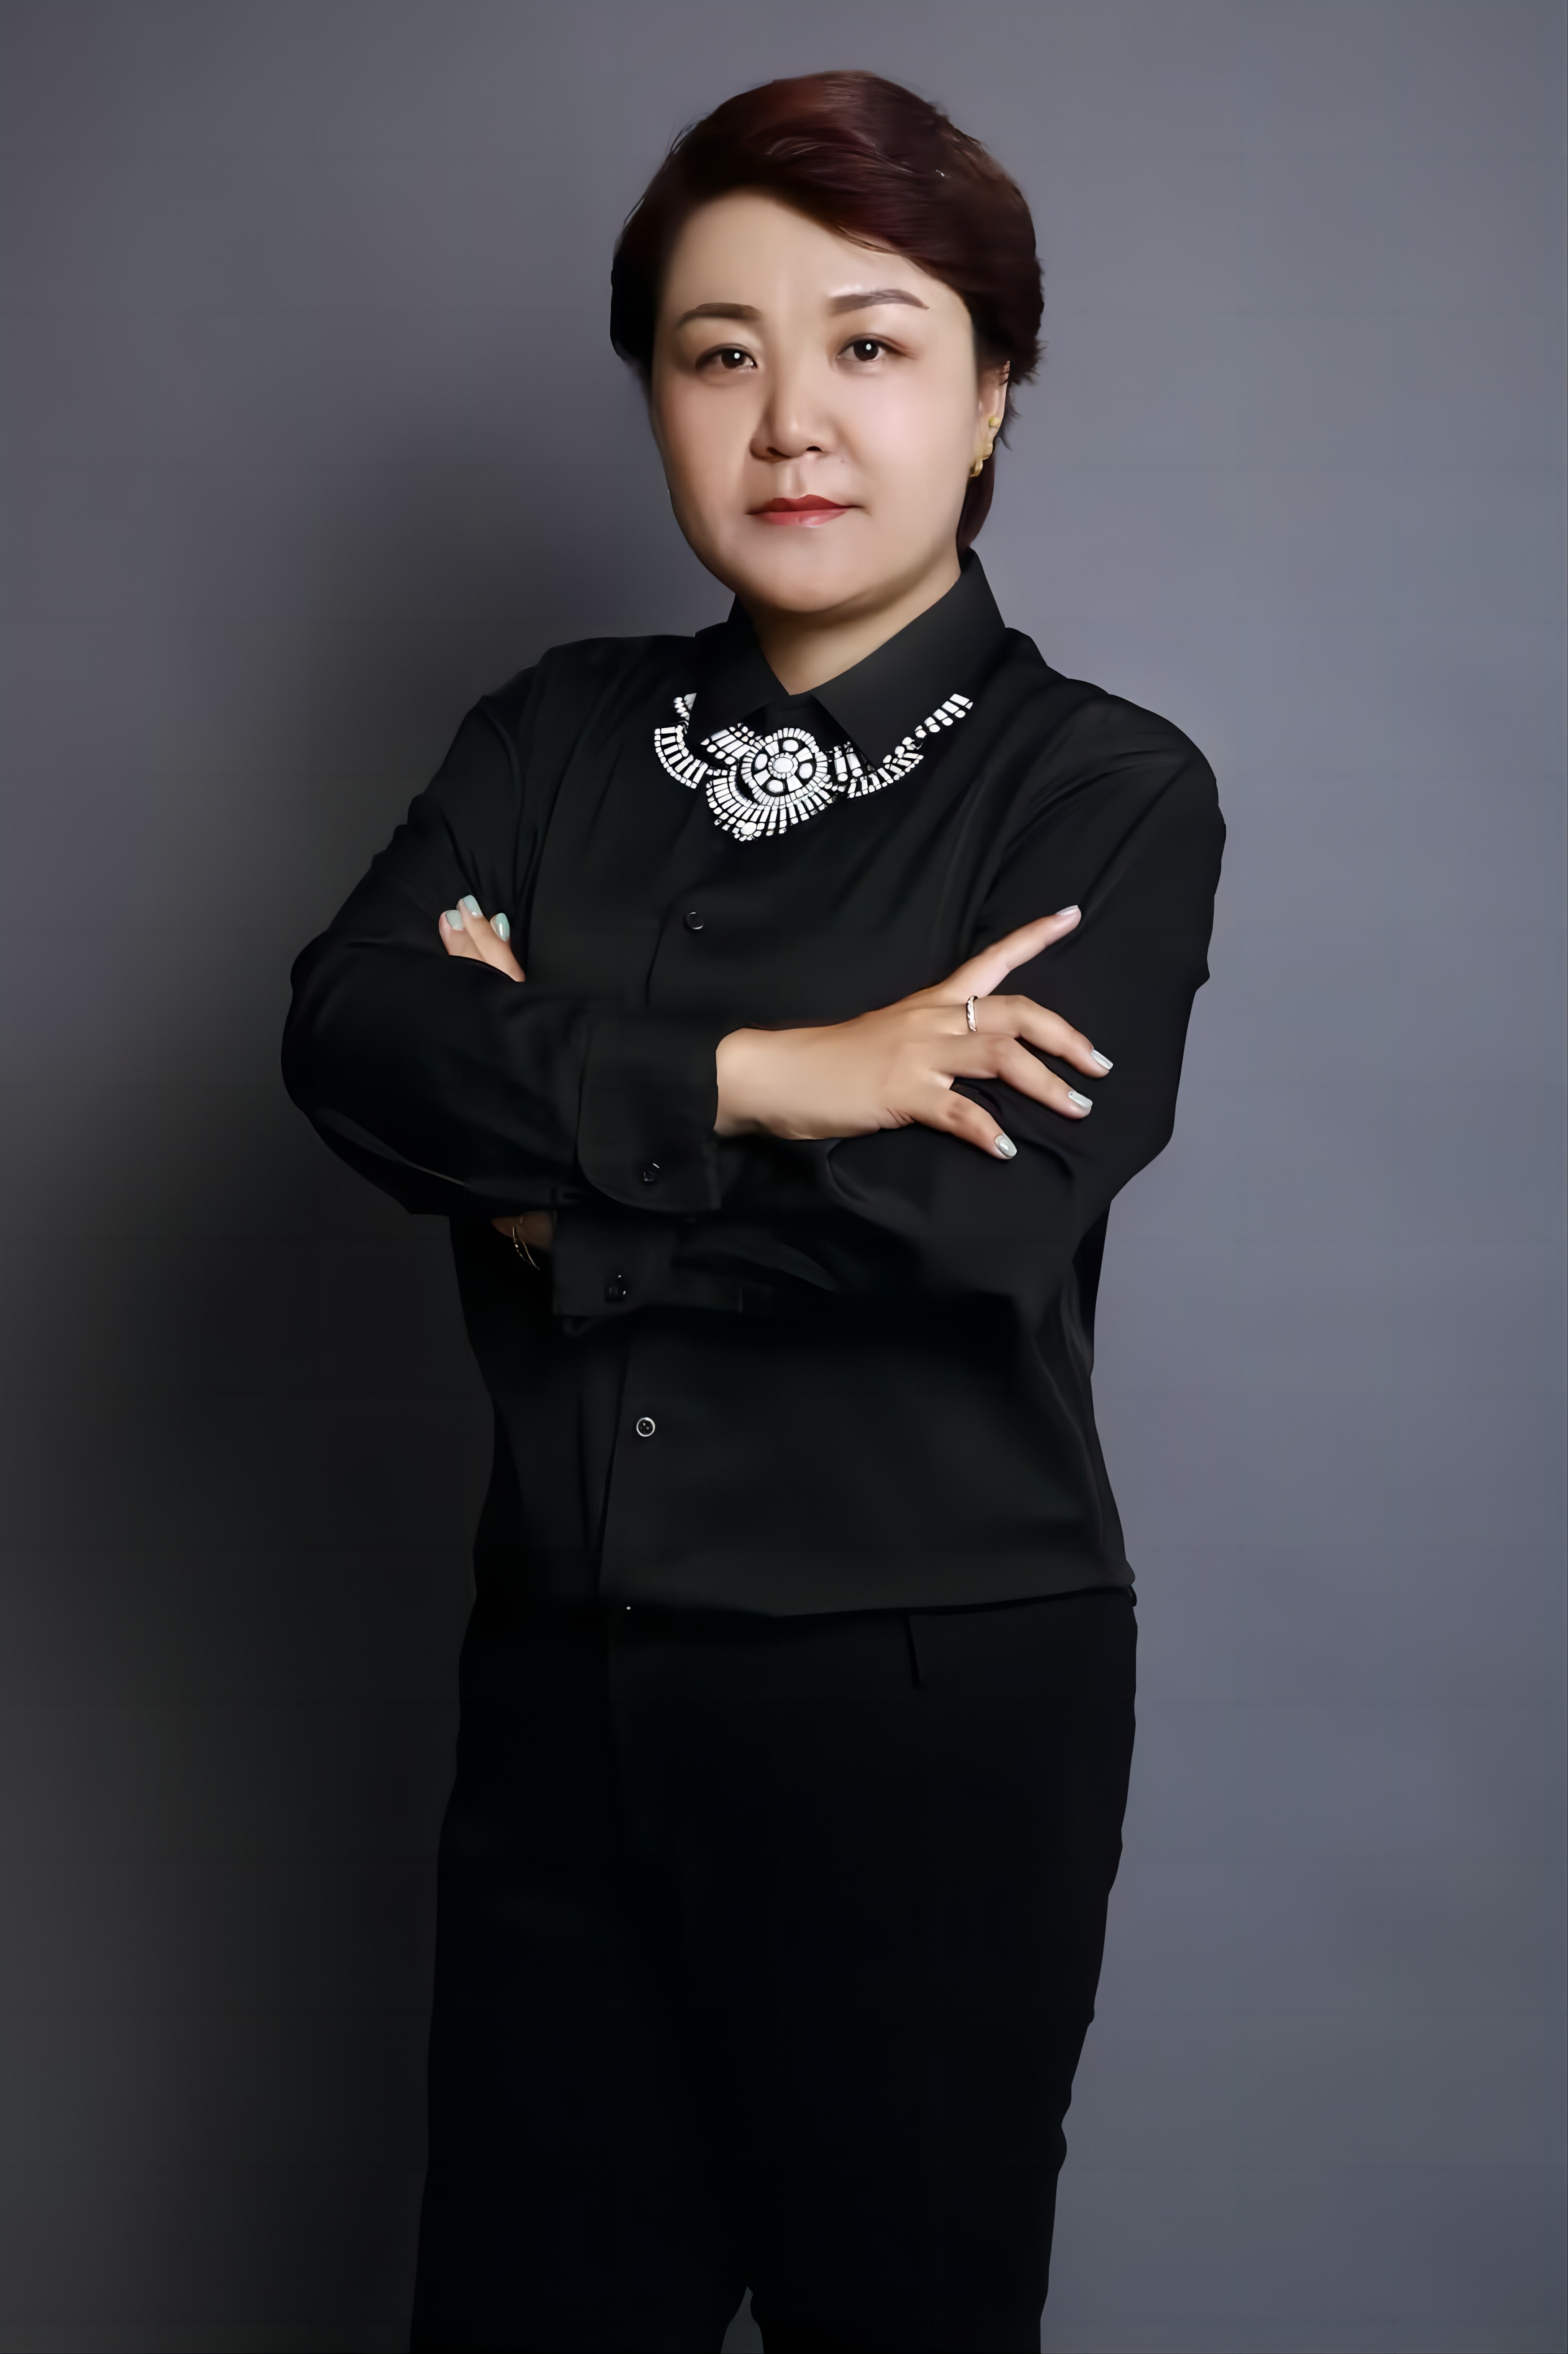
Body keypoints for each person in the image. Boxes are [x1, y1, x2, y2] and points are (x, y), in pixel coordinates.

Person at [282, 69, 1223, 2354]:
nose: (788, 417)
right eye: (719, 354)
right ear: (654, 398)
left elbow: (954, 1227)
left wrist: (552, 1198)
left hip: (920, 1714)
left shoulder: (1095, 788)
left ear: (990, 395)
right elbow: (352, 1033)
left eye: (868, 344)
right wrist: (770, 1076)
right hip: (559, 1694)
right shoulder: (553, 737)